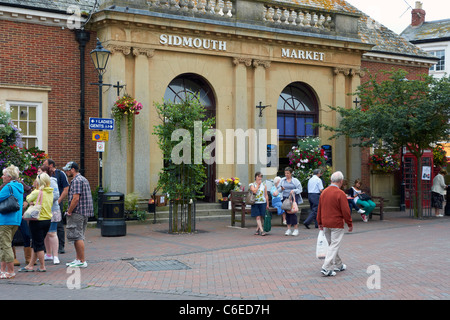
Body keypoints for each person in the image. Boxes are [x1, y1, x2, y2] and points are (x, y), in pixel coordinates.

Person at [317, 171, 353, 277]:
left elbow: (320, 208)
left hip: (325, 222)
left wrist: (319, 221)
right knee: (334, 245)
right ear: (341, 181)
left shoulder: (324, 192)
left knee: (332, 245)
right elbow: (346, 211)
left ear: (331, 180)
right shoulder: (340, 193)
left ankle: (339, 264)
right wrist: (349, 223)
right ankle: (326, 267)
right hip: (336, 223)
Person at [19, 173, 53, 272]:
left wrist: (33, 198)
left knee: (39, 244)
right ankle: (30, 265)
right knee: (35, 243)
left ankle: (42, 266)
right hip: (47, 220)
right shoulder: (50, 192)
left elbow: (28, 198)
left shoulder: (37, 192)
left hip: (37, 220)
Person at [63, 161, 94, 268]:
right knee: (79, 235)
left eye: (67, 169)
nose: (66, 172)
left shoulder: (76, 181)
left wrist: (69, 211)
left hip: (77, 212)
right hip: (84, 212)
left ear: (72, 169)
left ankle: (82, 260)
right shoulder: (83, 179)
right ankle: (78, 259)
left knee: (77, 236)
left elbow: (76, 198)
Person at [0, 165, 24, 279]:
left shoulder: (8, 187)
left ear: (9, 177)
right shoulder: (19, 186)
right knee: (4, 245)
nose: (2, 176)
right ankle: (2, 270)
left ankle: (10, 271)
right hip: (15, 220)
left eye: (4, 175)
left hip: (5, 220)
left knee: (5, 245)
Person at [43, 159, 69, 254]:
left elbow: (66, 189)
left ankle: (61, 246)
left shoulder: (60, 174)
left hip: (56, 203)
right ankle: (47, 248)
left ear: (51, 165)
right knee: (46, 224)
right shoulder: (44, 175)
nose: (43, 165)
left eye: (45, 164)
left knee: (58, 224)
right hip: (46, 204)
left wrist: (58, 201)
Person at [38, 165, 61, 264]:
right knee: (45, 234)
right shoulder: (39, 182)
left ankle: (55, 256)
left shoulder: (52, 181)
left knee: (52, 233)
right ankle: (48, 254)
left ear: (45, 172)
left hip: (52, 210)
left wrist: (45, 200)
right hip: (43, 211)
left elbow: (56, 195)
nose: (38, 173)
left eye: (39, 171)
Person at [278, 167, 303, 236]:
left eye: (288, 173)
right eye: (285, 173)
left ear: (291, 174)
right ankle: (288, 229)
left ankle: (295, 229)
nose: (286, 175)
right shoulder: (283, 180)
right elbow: (278, 189)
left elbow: (300, 189)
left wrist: (293, 191)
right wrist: (281, 188)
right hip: (285, 198)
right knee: (287, 213)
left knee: (293, 212)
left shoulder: (295, 180)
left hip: (293, 198)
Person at [249, 172, 269, 236]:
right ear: (256, 177)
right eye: (259, 176)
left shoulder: (264, 185)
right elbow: (254, 191)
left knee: (261, 216)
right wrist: (258, 185)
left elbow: (266, 195)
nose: (260, 178)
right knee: (257, 217)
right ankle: (262, 230)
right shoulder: (252, 184)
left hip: (262, 202)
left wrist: (267, 203)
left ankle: (257, 229)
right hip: (255, 202)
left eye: (261, 177)